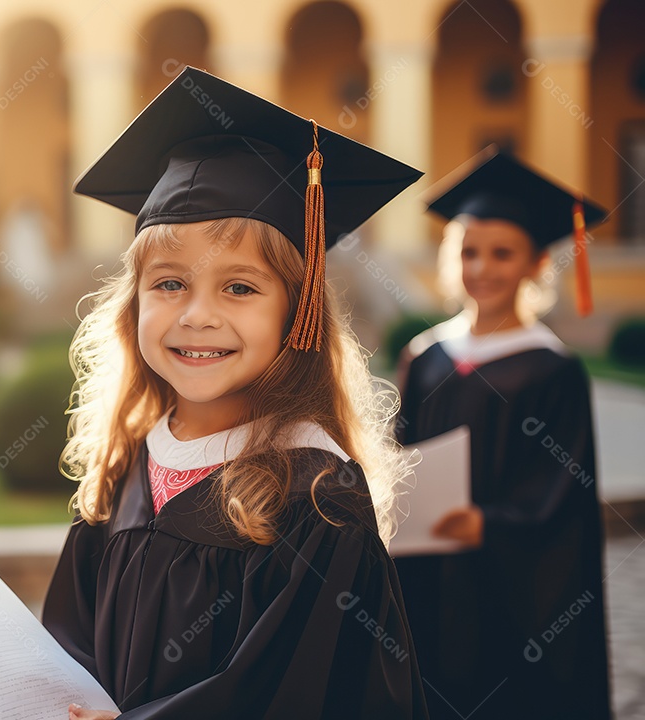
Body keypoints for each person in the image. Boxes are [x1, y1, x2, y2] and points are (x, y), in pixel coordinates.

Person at [38, 66, 428, 719]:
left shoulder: (316, 500)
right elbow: (70, 647)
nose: (197, 315)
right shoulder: (126, 467)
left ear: (296, 312)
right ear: (132, 304)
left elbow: (288, 695)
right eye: (168, 284)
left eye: (240, 287)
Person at [394, 147, 612, 719]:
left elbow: (564, 494)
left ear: (537, 264)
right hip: (426, 567)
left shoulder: (551, 367)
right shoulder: (427, 356)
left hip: (506, 583)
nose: (482, 268)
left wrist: (488, 523)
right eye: (468, 252)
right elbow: (399, 451)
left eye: (502, 254)